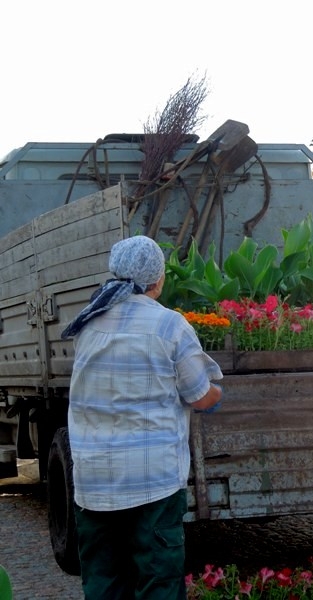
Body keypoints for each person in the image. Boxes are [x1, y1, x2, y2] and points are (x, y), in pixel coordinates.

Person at [62, 235, 223, 599]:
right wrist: (217, 395)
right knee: (158, 580)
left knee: (104, 581)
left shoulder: (88, 325)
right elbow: (199, 395)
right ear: (158, 279)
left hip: (94, 481)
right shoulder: (169, 325)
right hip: (153, 480)